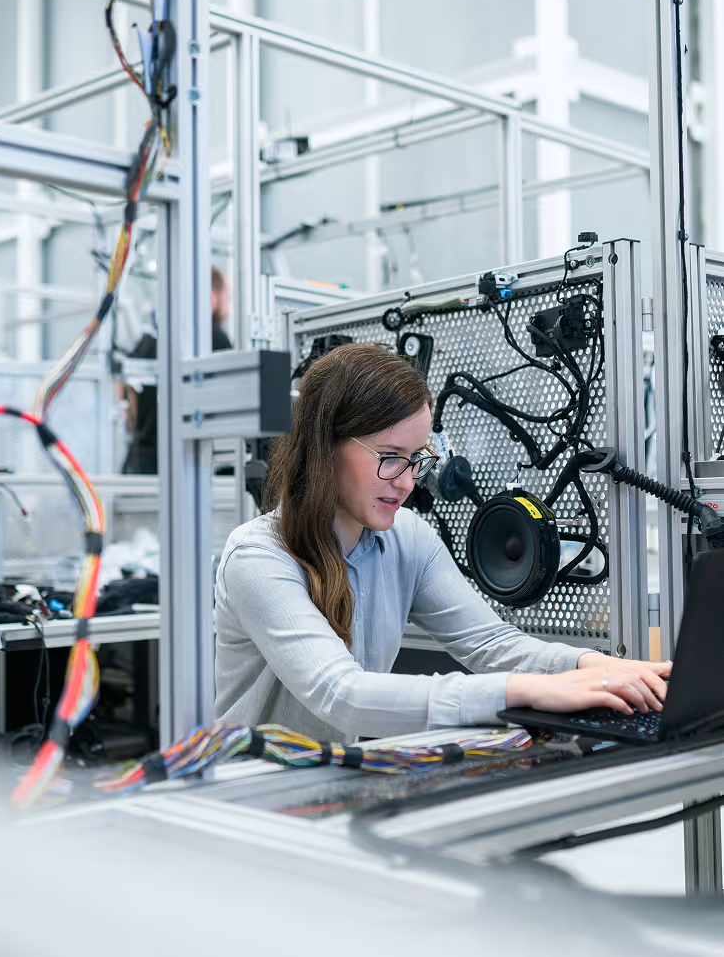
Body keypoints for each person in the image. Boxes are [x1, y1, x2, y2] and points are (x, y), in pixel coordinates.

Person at [214, 343, 671, 743]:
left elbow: (493, 645)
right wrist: (524, 691)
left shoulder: (407, 539)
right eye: (390, 458)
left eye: (416, 460)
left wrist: (596, 667)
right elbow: (342, 695)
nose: (408, 482)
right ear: (324, 448)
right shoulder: (258, 556)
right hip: (252, 798)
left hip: (332, 781)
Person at [120, 266, 232, 474]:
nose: (228, 307)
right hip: (186, 462)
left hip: (141, 461)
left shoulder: (150, 339)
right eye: (227, 299)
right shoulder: (214, 337)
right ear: (211, 296)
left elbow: (125, 398)